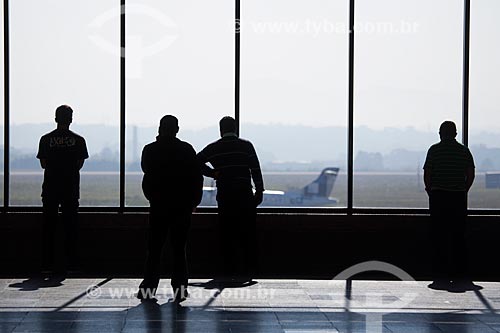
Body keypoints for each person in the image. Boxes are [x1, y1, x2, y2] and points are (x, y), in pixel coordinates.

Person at [137, 115, 203, 302]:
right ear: (177, 129)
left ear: (160, 128)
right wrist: (193, 202)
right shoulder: (187, 150)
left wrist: (153, 197)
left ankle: (149, 287)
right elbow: (197, 177)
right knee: (179, 249)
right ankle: (180, 288)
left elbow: (146, 172)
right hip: (182, 206)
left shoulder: (150, 150)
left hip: (158, 205)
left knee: (154, 249)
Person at [197, 116, 264, 281]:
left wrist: (213, 173)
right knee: (247, 233)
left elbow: (196, 161)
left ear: (221, 130)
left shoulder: (214, 148)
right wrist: (259, 191)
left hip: (226, 195)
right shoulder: (246, 146)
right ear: (235, 128)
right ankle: (248, 269)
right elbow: (255, 169)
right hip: (244, 195)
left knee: (227, 234)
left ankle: (229, 269)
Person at [423, 120, 476, 290]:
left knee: (439, 236)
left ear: (440, 133)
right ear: (455, 134)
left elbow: (428, 173)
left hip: (439, 197)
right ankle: (460, 273)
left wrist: (431, 190)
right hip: (458, 197)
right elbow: (470, 173)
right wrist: (463, 189)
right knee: (458, 236)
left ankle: (440, 274)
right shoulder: (464, 151)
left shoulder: (434, 150)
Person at [36, 105, 89, 274]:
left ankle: (46, 265)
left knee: (48, 227)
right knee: (71, 227)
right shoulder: (79, 140)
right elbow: (80, 164)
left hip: (51, 187)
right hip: (70, 187)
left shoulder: (45, 139)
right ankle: (73, 264)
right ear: (71, 119)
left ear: (55, 118)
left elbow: (43, 164)